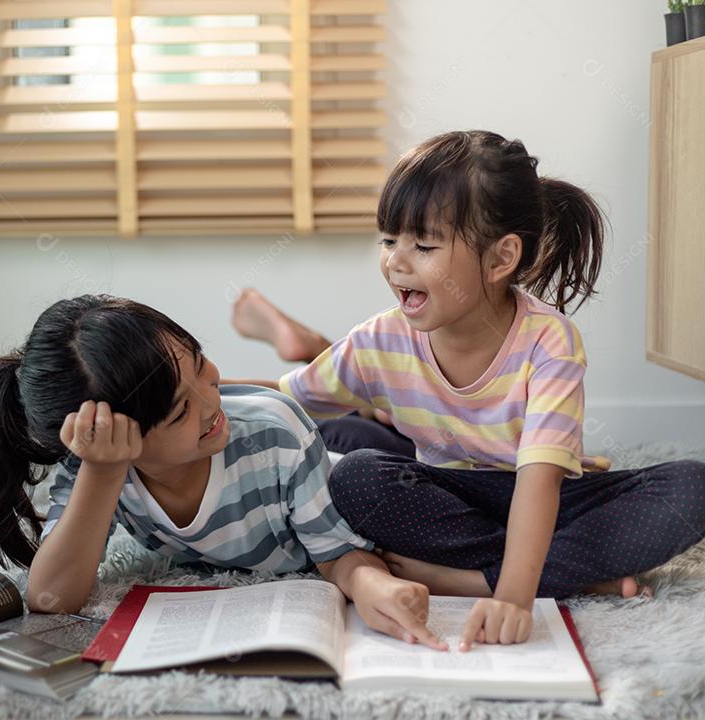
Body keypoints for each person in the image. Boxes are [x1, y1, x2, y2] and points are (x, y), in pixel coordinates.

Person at [233, 130, 705, 651]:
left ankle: (470, 578)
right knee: (355, 474)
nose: (396, 262)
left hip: (542, 495)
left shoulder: (549, 341)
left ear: (501, 259)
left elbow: (539, 482)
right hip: (450, 495)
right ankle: (571, 574)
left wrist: (511, 597)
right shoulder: (381, 338)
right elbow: (286, 398)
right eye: (389, 240)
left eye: (424, 245)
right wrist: (206, 388)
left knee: (692, 487)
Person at [0, 295, 449, 650]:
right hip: (268, 436)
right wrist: (103, 474)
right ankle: (313, 365)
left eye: (201, 363)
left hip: (331, 452)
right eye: (179, 410)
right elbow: (50, 598)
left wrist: (372, 586)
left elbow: (338, 555)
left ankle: (321, 359)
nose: (209, 399)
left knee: (390, 431)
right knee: (256, 405)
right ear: (117, 441)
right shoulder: (98, 466)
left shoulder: (275, 432)